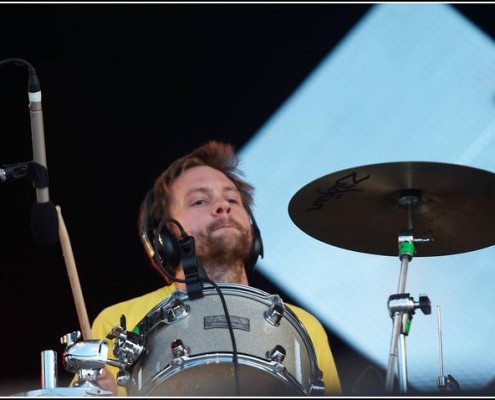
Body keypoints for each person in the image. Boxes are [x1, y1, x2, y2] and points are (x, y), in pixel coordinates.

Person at [85, 140, 342, 396]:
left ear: (253, 228)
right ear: (165, 239)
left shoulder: (301, 325)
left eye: (232, 199)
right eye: (199, 201)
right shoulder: (118, 321)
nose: (223, 206)